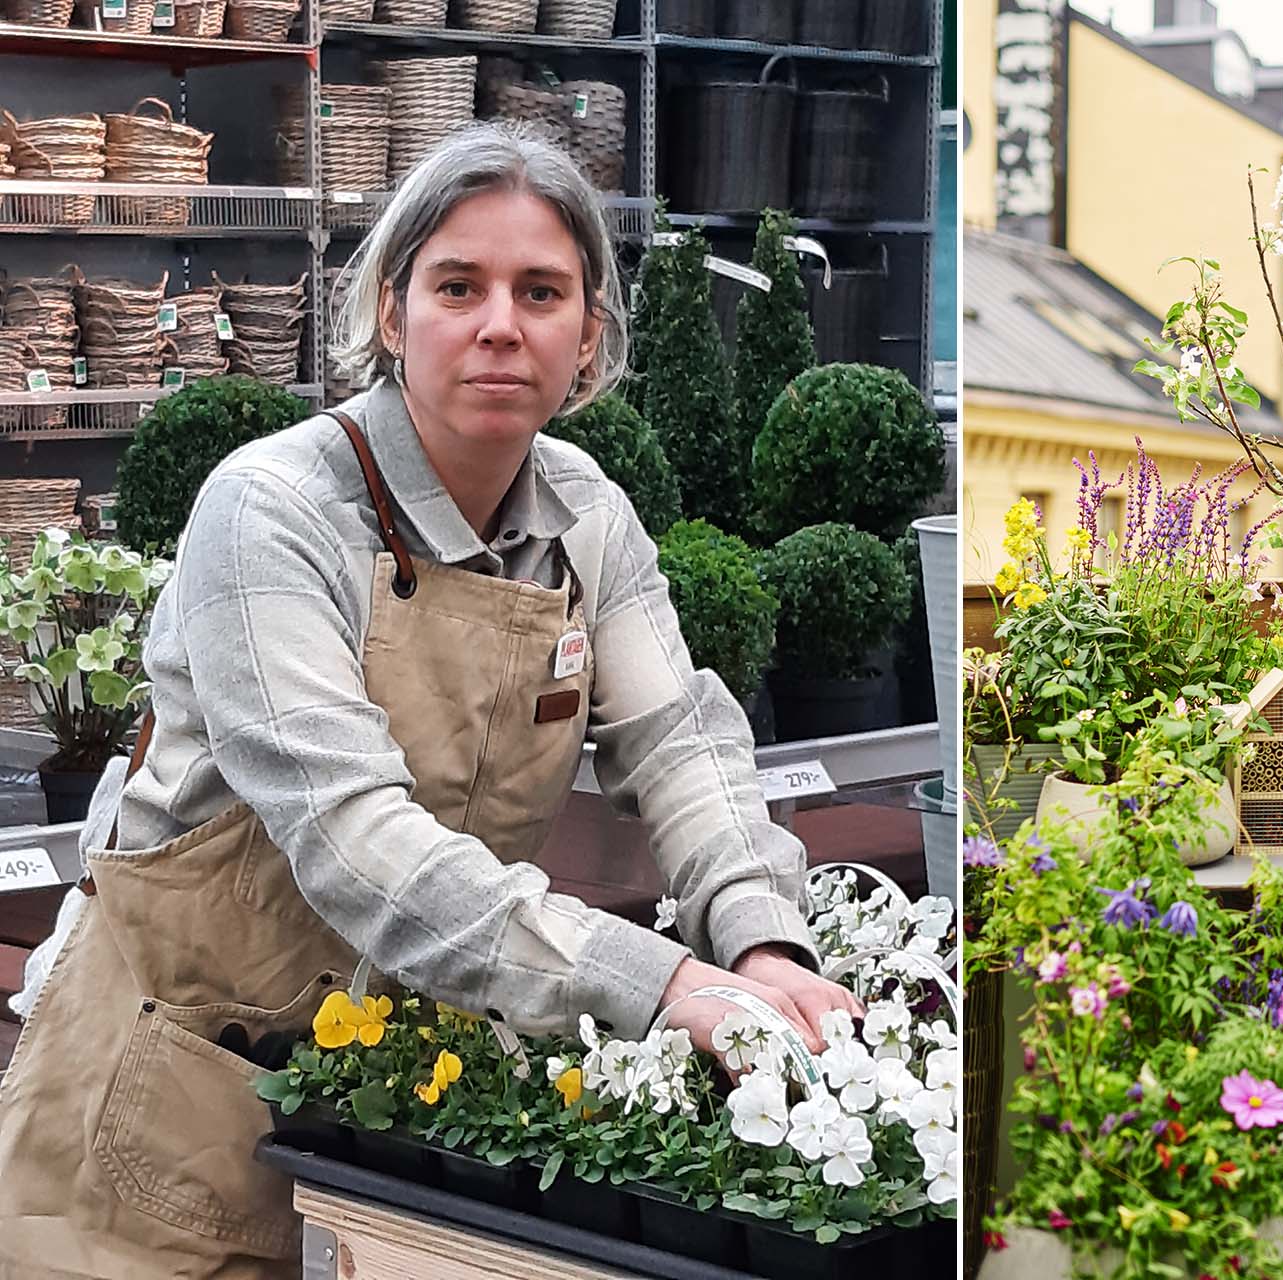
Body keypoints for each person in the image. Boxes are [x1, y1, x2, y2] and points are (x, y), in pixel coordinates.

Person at [0, 123, 858, 1280]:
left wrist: (757, 942)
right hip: (163, 1101)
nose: (501, 322)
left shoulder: (586, 517)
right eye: (459, 284)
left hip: (398, 1104)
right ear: (393, 314)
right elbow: (355, 842)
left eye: (541, 291)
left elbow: (681, 741)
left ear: (589, 337)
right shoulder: (271, 510)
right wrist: (656, 984)